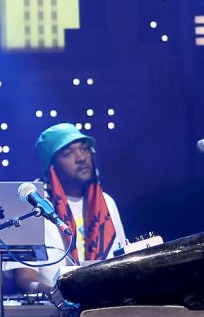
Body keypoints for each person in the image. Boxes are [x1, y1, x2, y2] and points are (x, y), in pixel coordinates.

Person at [9, 123, 126, 293]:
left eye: (84, 149)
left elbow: (123, 260)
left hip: (105, 306)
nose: (81, 158)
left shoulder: (107, 202)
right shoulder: (32, 205)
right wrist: (63, 297)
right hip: (55, 313)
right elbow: (24, 279)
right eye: (68, 153)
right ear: (52, 166)